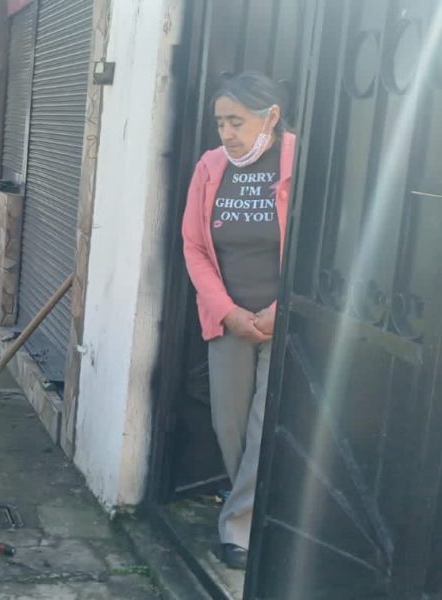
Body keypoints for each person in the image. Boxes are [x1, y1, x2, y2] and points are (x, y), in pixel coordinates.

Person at [182, 71, 295, 571]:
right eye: (220, 122)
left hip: (280, 319)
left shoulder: (297, 159)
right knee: (229, 424)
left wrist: (280, 308)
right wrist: (227, 311)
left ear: (270, 116)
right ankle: (251, 509)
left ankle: (240, 528)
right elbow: (194, 246)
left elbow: (311, 241)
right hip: (227, 318)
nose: (226, 133)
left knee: (266, 423)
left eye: (236, 121)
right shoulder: (210, 167)